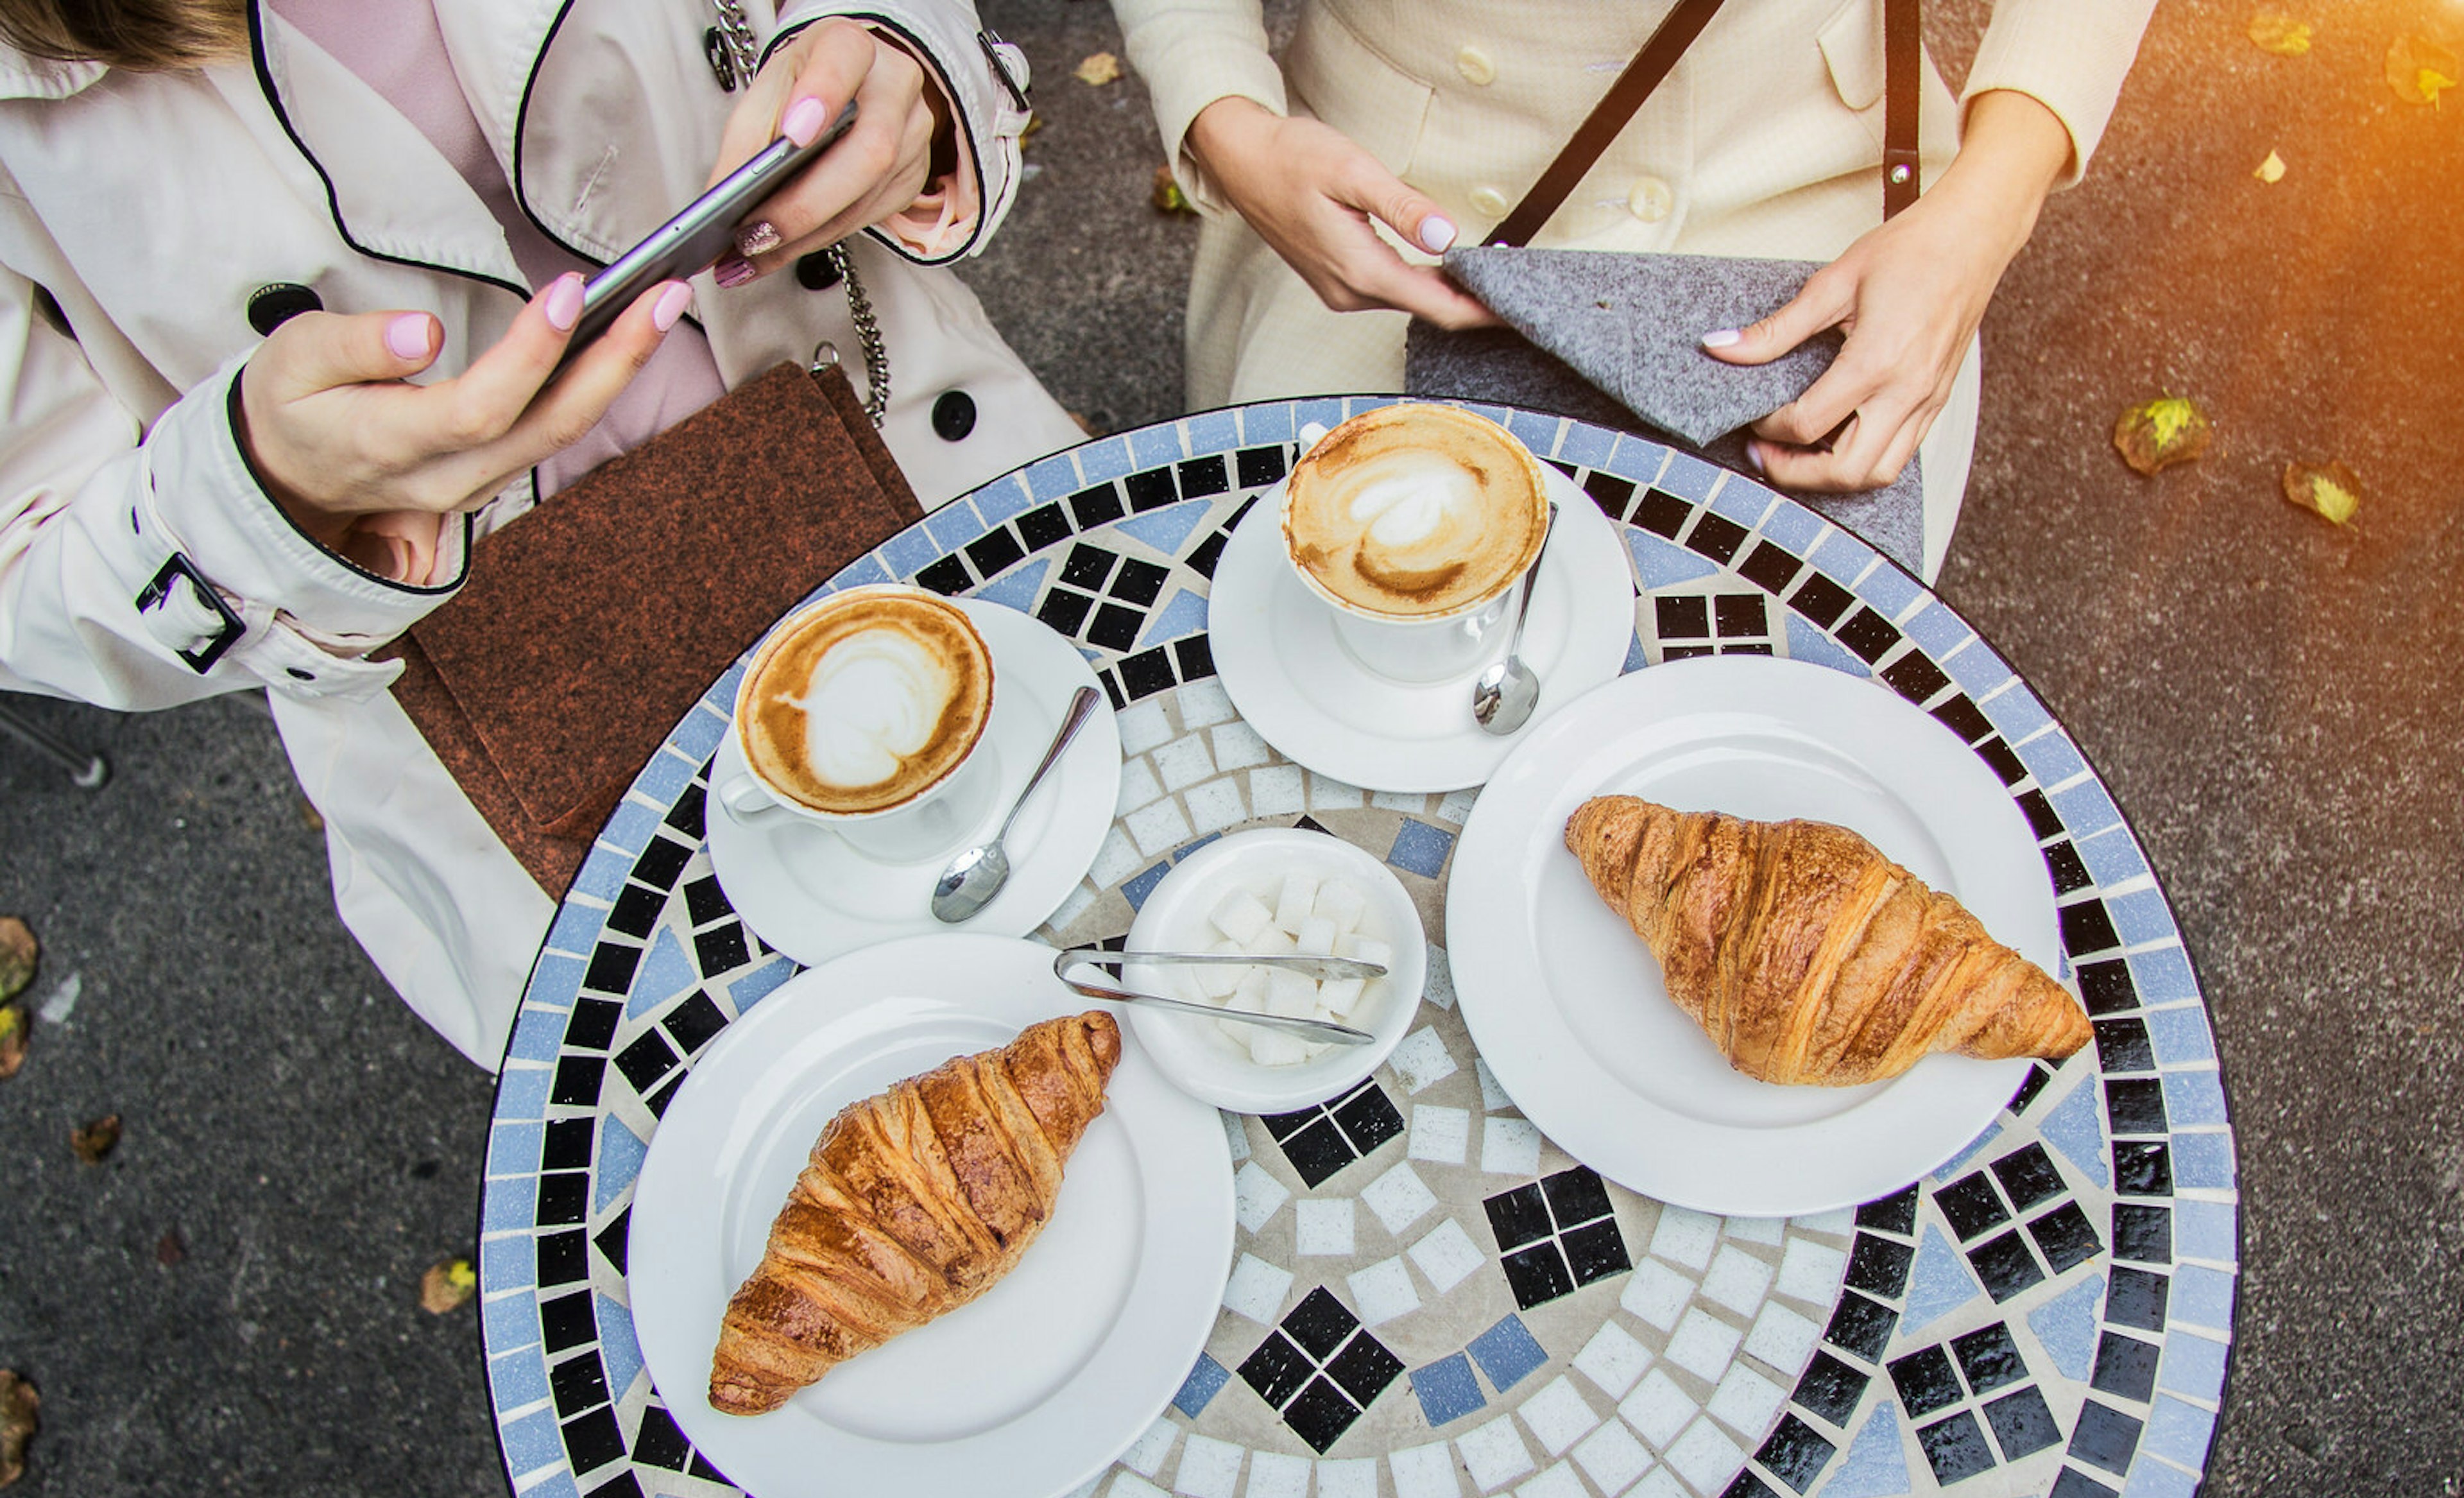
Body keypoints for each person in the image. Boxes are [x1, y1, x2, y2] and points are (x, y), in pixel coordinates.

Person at [0, 0, 1084, 1067]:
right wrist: (251, 493)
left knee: (1162, 896)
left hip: (916, 453)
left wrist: (897, 64)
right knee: (841, 1129)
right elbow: (28, 566)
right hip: (500, 693)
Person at [1109, 0, 2156, 580]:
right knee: (1316, 670)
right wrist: (1224, 113)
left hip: (1807, 184)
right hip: (1378, 203)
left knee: (1777, 750)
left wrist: (1985, 212)